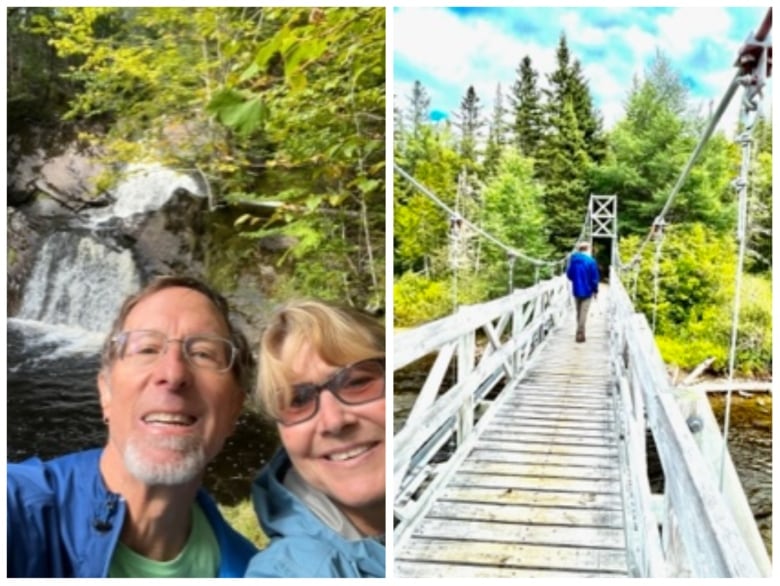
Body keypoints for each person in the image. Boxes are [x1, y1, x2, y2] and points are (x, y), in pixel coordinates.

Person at [7, 276, 258, 577]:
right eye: (147, 349)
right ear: (106, 393)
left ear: (234, 408)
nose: (173, 373)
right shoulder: (17, 508)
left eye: (203, 353)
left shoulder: (256, 571)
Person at [245, 299, 385, 578]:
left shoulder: (439, 475)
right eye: (298, 400)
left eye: (357, 382)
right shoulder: (283, 573)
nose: (334, 421)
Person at [566, 242, 600, 343]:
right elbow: (594, 279)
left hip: (576, 290)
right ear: (587, 249)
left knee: (578, 312)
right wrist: (595, 290)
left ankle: (580, 332)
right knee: (583, 313)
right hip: (587, 291)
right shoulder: (591, 261)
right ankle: (580, 334)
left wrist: (577, 280)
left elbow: (569, 275)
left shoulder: (573, 260)